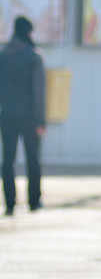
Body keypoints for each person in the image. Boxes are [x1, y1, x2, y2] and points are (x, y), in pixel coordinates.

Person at [0, 16, 46, 215]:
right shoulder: (34, 57)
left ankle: (10, 203)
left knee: (8, 159)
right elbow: (39, 91)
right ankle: (33, 200)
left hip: (7, 114)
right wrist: (40, 120)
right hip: (29, 116)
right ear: (28, 32)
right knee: (32, 159)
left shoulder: (3, 57)